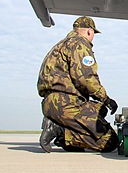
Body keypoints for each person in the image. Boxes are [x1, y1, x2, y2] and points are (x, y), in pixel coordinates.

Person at [37, 16, 120, 153]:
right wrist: (106, 98)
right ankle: (60, 131)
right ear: (89, 31)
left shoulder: (60, 46)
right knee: (110, 141)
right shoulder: (80, 45)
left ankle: (64, 132)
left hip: (50, 103)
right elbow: (85, 78)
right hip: (67, 103)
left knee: (101, 110)